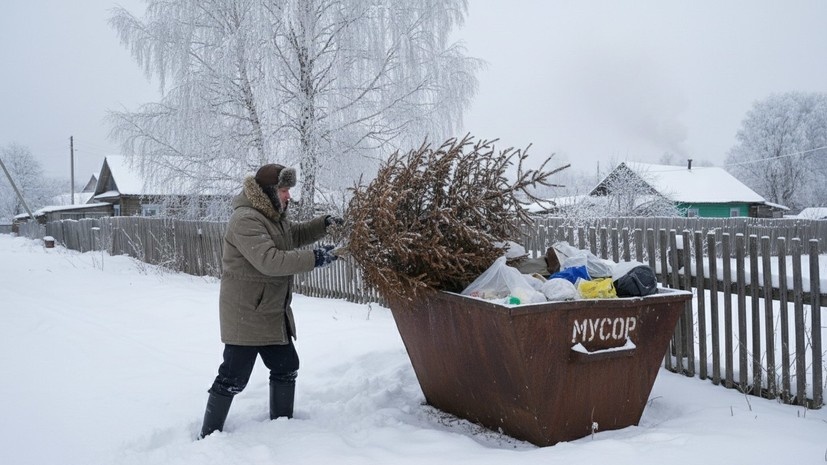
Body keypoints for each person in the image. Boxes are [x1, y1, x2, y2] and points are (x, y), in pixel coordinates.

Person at [199, 163, 343, 439]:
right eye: (284, 189)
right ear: (267, 191)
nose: (289, 195)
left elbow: (292, 236)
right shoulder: (246, 219)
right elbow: (270, 260)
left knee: (286, 366)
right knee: (233, 377)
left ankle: (282, 427)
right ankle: (209, 436)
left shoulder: (273, 216)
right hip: (247, 314)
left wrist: (323, 224)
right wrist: (315, 258)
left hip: (272, 312)